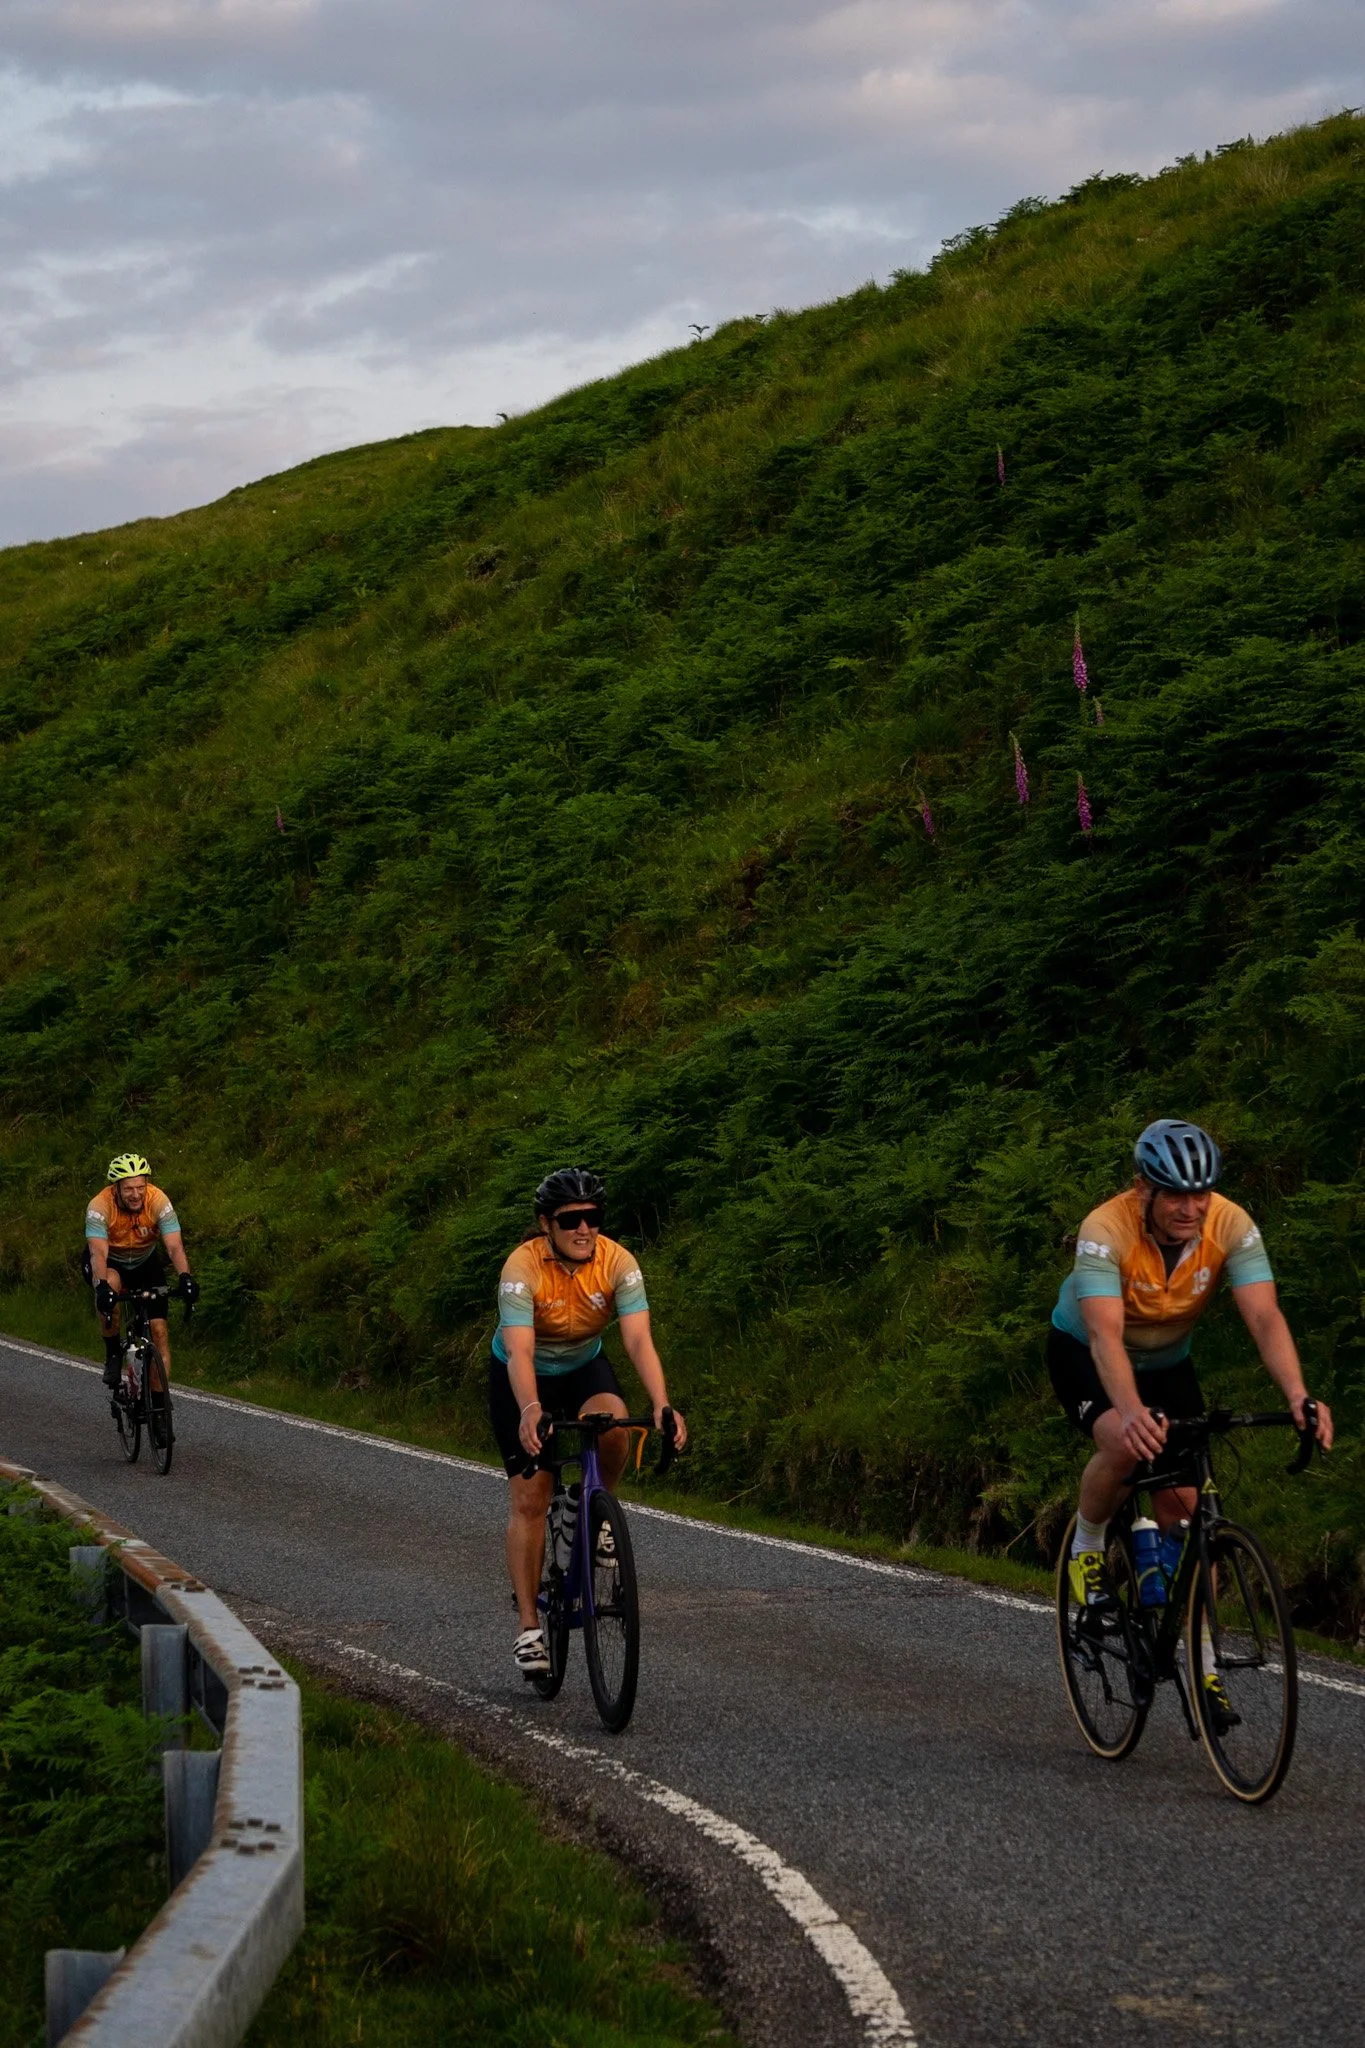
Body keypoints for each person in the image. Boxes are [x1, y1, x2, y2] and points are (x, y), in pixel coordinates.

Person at [1049, 1118, 1332, 1721]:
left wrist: (1298, 1396)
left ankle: (1204, 1669)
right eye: (1175, 1193)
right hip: (1089, 1355)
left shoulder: (1231, 1223)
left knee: (1188, 1510)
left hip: (1169, 1362)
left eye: (1200, 1192)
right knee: (1125, 1446)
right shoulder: (1105, 1229)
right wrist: (1127, 1413)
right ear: (1141, 1189)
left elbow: (1264, 1318)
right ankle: (1090, 1545)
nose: (1190, 1207)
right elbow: (1104, 1336)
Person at [489, 1166, 688, 1678]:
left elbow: (638, 1340)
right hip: (523, 1374)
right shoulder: (522, 1266)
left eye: (593, 1217)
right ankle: (530, 1626)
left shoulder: (618, 1262)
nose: (584, 1229)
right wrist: (531, 1409)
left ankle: (594, 1507)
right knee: (532, 1498)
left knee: (616, 1423)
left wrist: (662, 1403)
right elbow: (520, 1350)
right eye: (571, 1219)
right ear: (545, 1224)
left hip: (583, 1366)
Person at [85, 1154, 198, 1395]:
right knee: (111, 1284)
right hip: (109, 1261)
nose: (136, 1194)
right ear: (115, 1188)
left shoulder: (158, 1200)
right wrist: (101, 1285)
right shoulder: (100, 1205)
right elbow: (98, 1252)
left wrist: (185, 1277)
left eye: (140, 1187)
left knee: (159, 1331)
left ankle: (158, 1403)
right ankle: (113, 1352)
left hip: (144, 1261)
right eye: (128, 1189)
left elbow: (174, 1246)